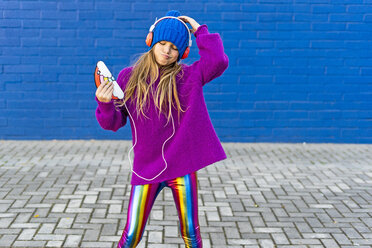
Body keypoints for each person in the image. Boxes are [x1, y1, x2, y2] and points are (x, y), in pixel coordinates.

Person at [95, 10, 228, 248]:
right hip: (146, 169)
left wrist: (199, 30)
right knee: (131, 234)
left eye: (175, 48)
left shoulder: (190, 76)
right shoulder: (128, 78)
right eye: (162, 43)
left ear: (183, 52)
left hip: (182, 166)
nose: (167, 51)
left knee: (190, 232)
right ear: (151, 42)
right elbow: (113, 123)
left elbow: (218, 61)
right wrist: (105, 105)